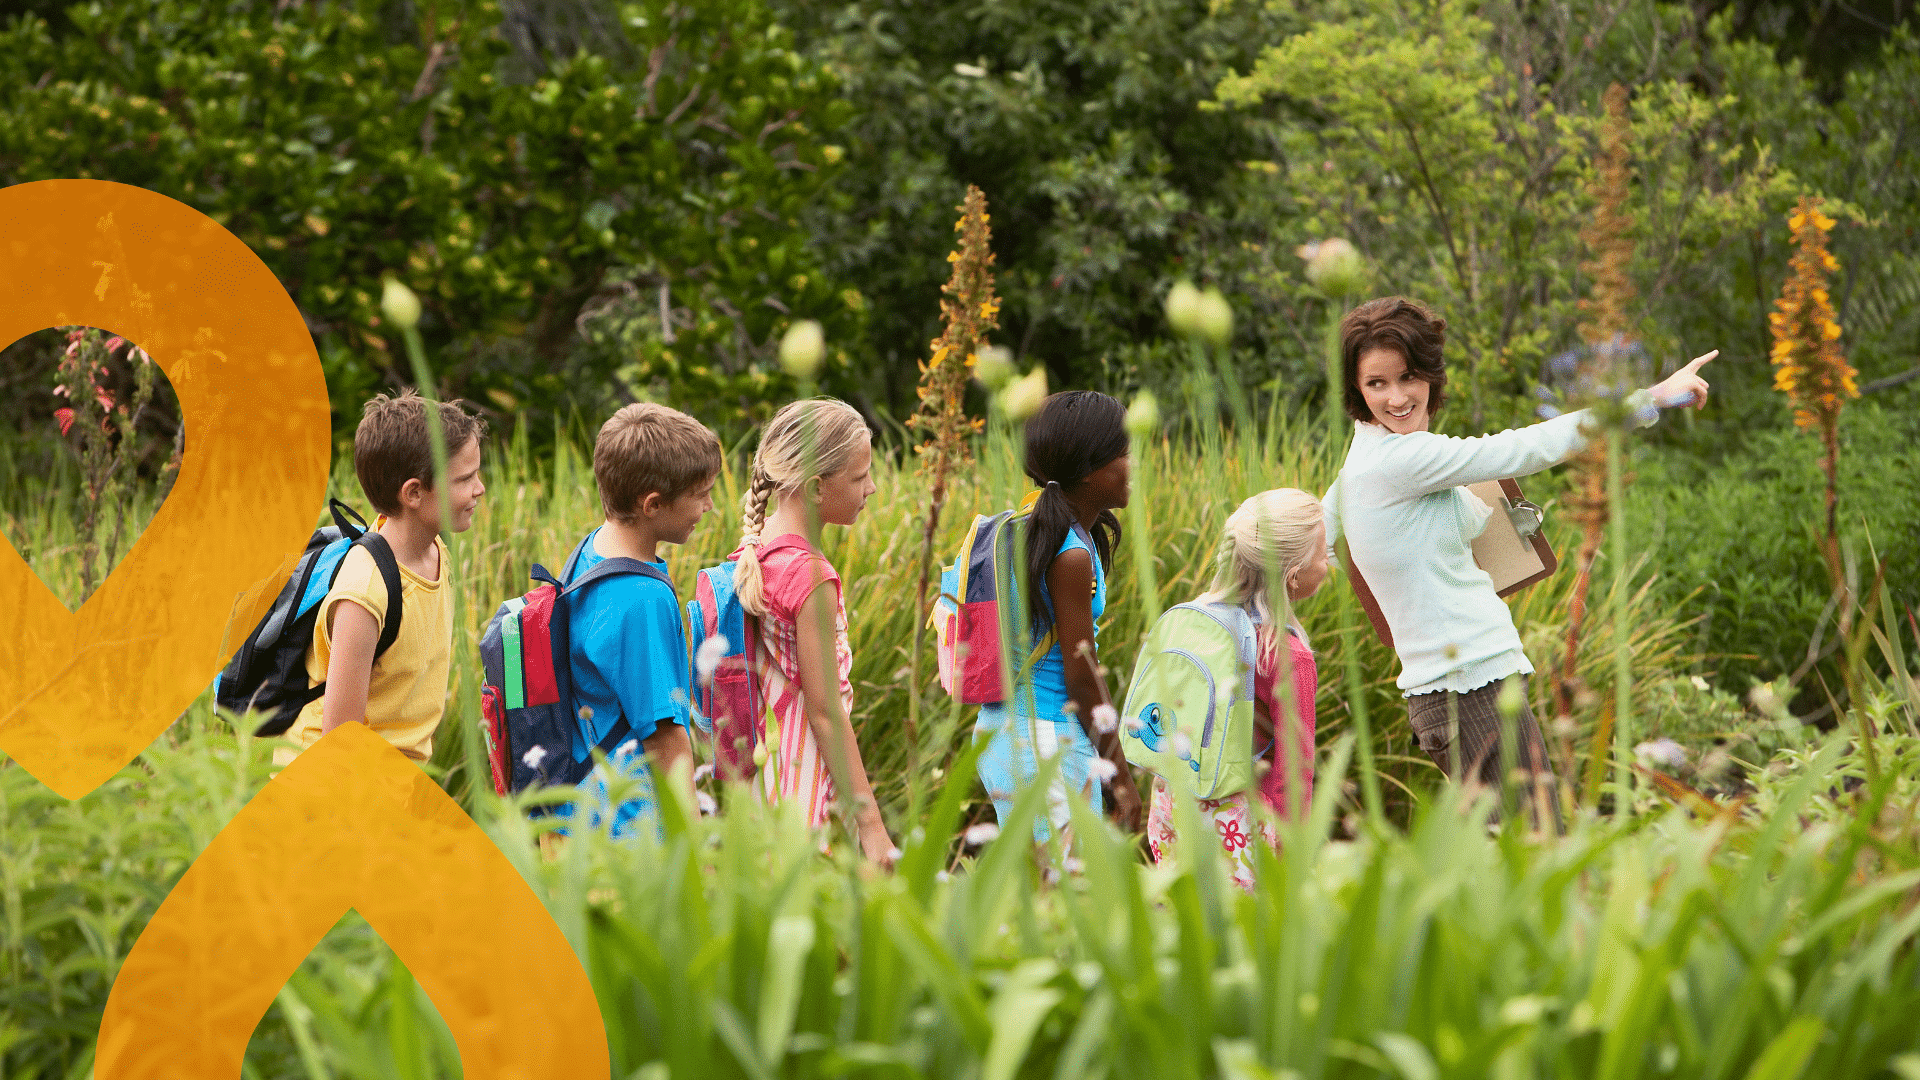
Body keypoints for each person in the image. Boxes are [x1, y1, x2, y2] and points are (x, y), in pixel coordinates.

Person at [1321, 296, 1714, 821]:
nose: (1396, 397)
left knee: (1519, 865)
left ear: (1431, 376)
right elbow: (1526, 447)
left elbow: (1314, 534)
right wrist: (1654, 397)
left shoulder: (1366, 460)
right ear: (1357, 390)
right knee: (1538, 851)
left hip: (1466, 688)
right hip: (1469, 690)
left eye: (1409, 376)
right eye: (1377, 384)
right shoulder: (1398, 460)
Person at [275, 390, 487, 769]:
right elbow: (340, 739)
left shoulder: (437, 552)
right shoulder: (364, 592)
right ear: (414, 493)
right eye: (465, 478)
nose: (479, 488)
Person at [730, 398, 894, 864]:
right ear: (818, 487)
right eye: (861, 477)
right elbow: (825, 714)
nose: (873, 488)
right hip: (807, 790)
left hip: (763, 783)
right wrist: (872, 828)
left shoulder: (754, 557)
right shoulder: (811, 576)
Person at [976, 390, 1144, 843]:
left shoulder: (1034, 528)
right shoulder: (1068, 554)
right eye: (1125, 451)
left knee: (1043, 894)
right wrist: (1121, 779)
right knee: (1067, 897)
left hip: (1003, 731)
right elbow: (1082, 678)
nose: (1135, 462)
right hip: (1043, 739)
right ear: (1090, 471)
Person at [1145, 488, 1328, 890]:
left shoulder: (1197, 624)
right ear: (1294, 577)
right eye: (1323, 553)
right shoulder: (1287, 655)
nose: (1328, 563)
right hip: (1241, 824)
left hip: (1175, 802)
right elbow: (1293, 769)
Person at [559, 403, 720, 841]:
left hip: (582, 806)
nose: (709, 506)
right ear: (652, 505)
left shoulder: (593, 551)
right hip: (630, 825)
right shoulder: (641, 598)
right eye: (700, 494)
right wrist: (694, 857)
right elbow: (665, 741)